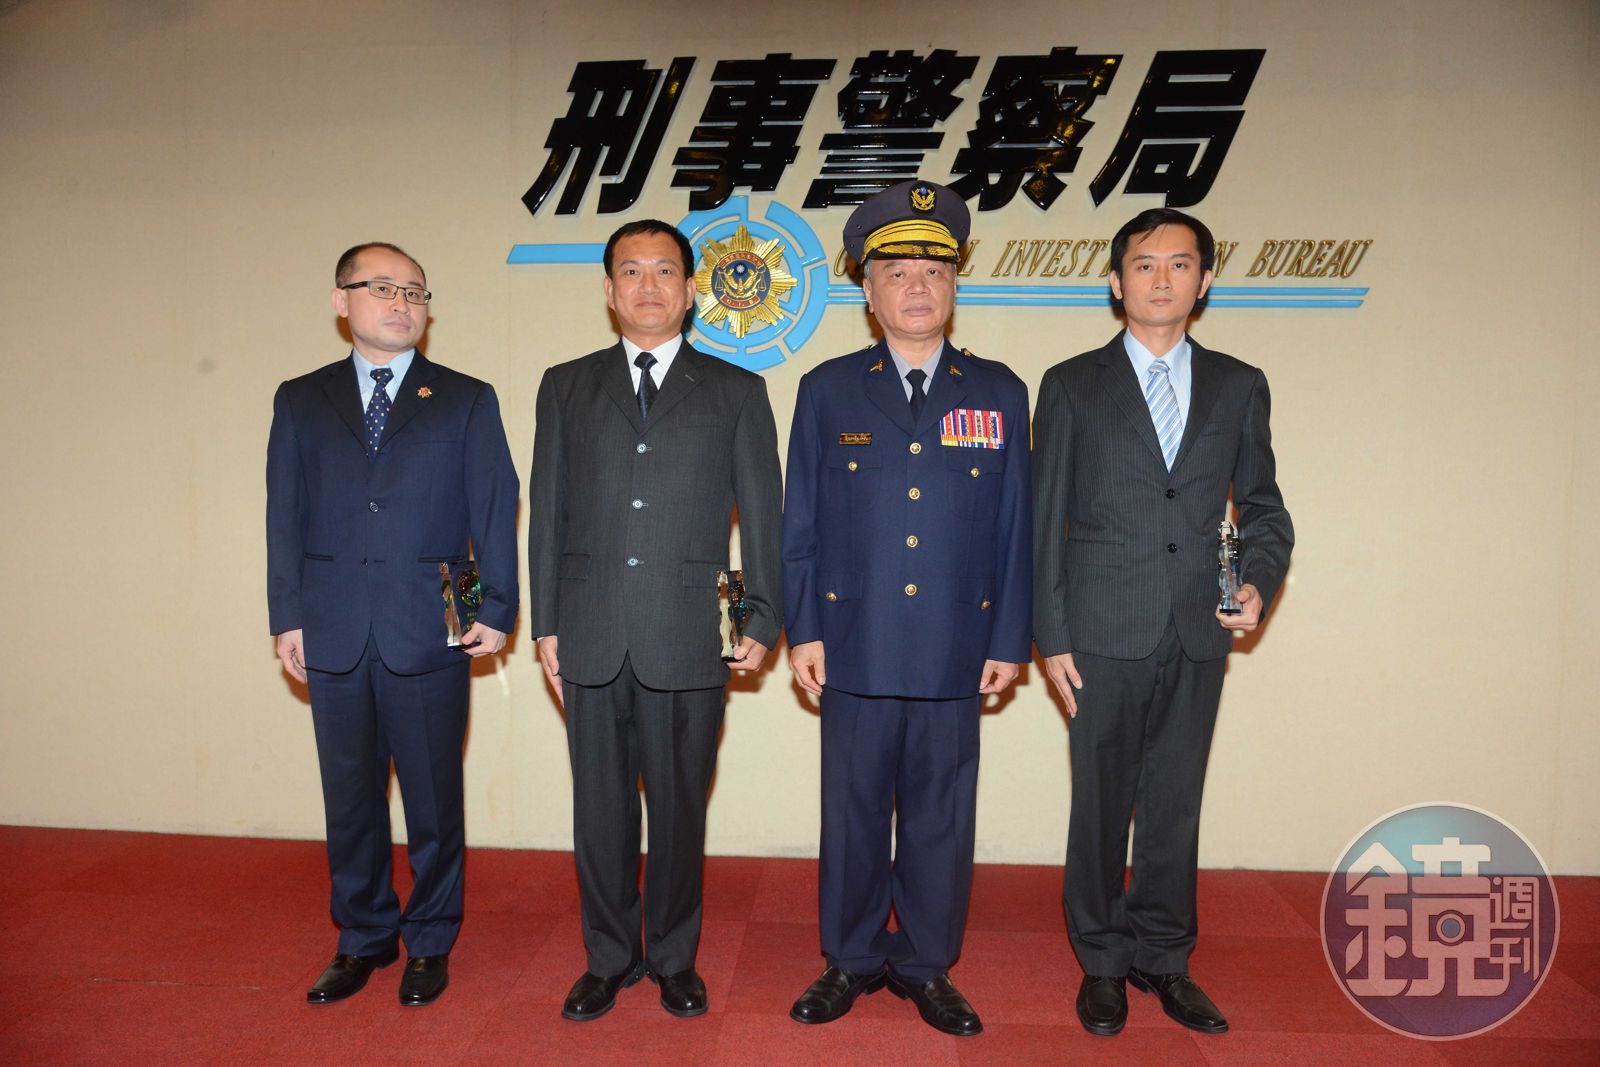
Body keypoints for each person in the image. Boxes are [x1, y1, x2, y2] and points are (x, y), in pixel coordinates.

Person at [1032, 208, 1294, 1037]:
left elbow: (1264, 508)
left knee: (1176, 802)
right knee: (1101, 804)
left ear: (1205, 281)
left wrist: (1258, 581)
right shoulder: (1071, 383)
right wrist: (1051, 634)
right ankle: (1103, 962)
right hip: (1100, 629)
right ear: (1116, 282)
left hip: (1197, 626)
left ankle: (1164, 957)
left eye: (1180, 264)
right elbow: (1043, 519)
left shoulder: (1239, 383)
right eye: (1144, 264)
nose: (1161, 278)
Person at [782, 180, 1032, 1037]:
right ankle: (849, 958)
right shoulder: (827, 390)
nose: (917, 286)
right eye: (896, 271)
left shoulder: (999, 391)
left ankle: (927, 965)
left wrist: (1010, 637)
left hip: (957, 643)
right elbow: (801, 523)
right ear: (867, 289)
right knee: (851, 815)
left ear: (955, 284)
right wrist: (804, 627)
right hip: (854, 641)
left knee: (940, 818)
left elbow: (1016, 526)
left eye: (934, 269)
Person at [528, 219, 783, 1021]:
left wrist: (762, 616)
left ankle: (674, 957)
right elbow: (548, 513)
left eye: (665, 270)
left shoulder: (736, 391)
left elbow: (764, 517)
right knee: (599, 811)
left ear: (691, 289)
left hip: (689, 634)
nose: (648, 285)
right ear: (609, 290)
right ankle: (607, 957)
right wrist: (545, 623)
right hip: (590, 631)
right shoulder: (566, 385)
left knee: (678, 810)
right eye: (631, 271)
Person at [266, 242, 520, 1006]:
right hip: (332, 623)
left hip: (432, 625)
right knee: (350, 797)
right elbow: (284, 514)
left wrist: (490, 608)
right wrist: (288, 614)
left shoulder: (465, 397)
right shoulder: (302, 398)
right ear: (341, 300)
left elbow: (491, 511)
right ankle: (364, 934)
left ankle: (431, 938)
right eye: (383, 288)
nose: (402, 302)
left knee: (434, 799)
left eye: (415, 291)